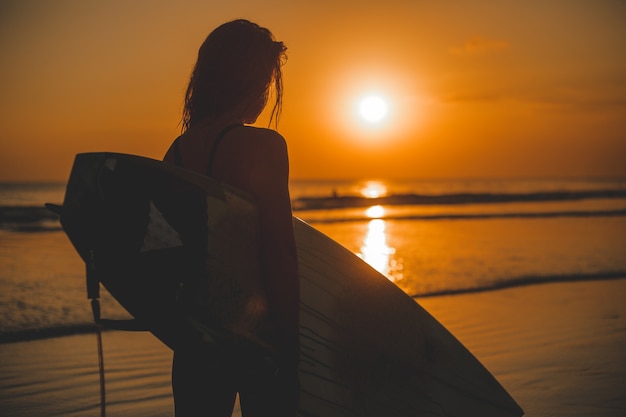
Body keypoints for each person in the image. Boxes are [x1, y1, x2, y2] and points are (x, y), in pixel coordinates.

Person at [163, 19, 299, 416]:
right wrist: (292, 343)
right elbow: (279, 250)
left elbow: (171, 250)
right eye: (268, 79)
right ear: (251, 81)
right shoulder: (264, 146)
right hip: (258, 335)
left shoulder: (177, 152)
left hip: (194, 337)